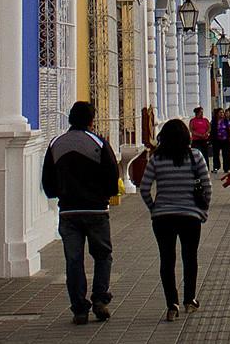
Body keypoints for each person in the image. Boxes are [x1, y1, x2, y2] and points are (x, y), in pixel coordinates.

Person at [41, 100, 120, 326]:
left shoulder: (56, 144)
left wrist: (61, 193)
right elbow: (111, 175)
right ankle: (100, 300)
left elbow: (48, 181)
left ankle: (79, 308)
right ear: (91, 120)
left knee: (73, 260)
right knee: (103, 256)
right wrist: (104, 195)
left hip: (68, 211)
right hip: (96, 209)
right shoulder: (98, 143)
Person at [139, 117, 213, 321]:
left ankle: (172, 305)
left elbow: (144, 188)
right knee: (190, 257)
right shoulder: (195, 156)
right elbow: (207, 187)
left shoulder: (156, 158)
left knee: (167, 259)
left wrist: (154, 208)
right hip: (190, 216)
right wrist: (202, 209)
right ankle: (190, 300)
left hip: (163, 218)